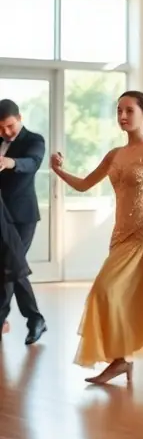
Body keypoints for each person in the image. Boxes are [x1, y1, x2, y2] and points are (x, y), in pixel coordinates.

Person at [50, 91, 143, 386]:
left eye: (128, 110)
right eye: (119, 110)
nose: (122, 116)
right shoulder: (114, 155)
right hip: (120, 236)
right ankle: (120, 360)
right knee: (106, 292)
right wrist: (58, 170)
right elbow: (83, 185)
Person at [0, 99, 47, 344]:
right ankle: (33, 318)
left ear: (19, 118)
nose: (6, 132)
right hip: (1, 215)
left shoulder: (34, 140)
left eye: (9, 126)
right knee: (8, 268)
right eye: (1, 128)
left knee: (11, 265)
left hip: (22, 216)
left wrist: (11, 162)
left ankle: (30, 319)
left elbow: (33, 163)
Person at [0, 192, 31, 335]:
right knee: (12, 269)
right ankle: (35, 317)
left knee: (12, 269)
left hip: (20, 216)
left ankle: (34, 317)